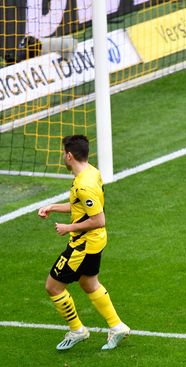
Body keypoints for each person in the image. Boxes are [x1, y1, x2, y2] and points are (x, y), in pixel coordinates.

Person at [37, 135, 130, 351]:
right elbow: (80, 207)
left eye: (63, 153)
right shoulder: (92, 172)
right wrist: (52, 206)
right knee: (89, 284)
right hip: (95, 241)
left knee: (53, 287)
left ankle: (77, 330)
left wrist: (67, 228)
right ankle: (117, 326)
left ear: (69, 155)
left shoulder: (83, 185)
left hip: (82, 245)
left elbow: (98, 219)